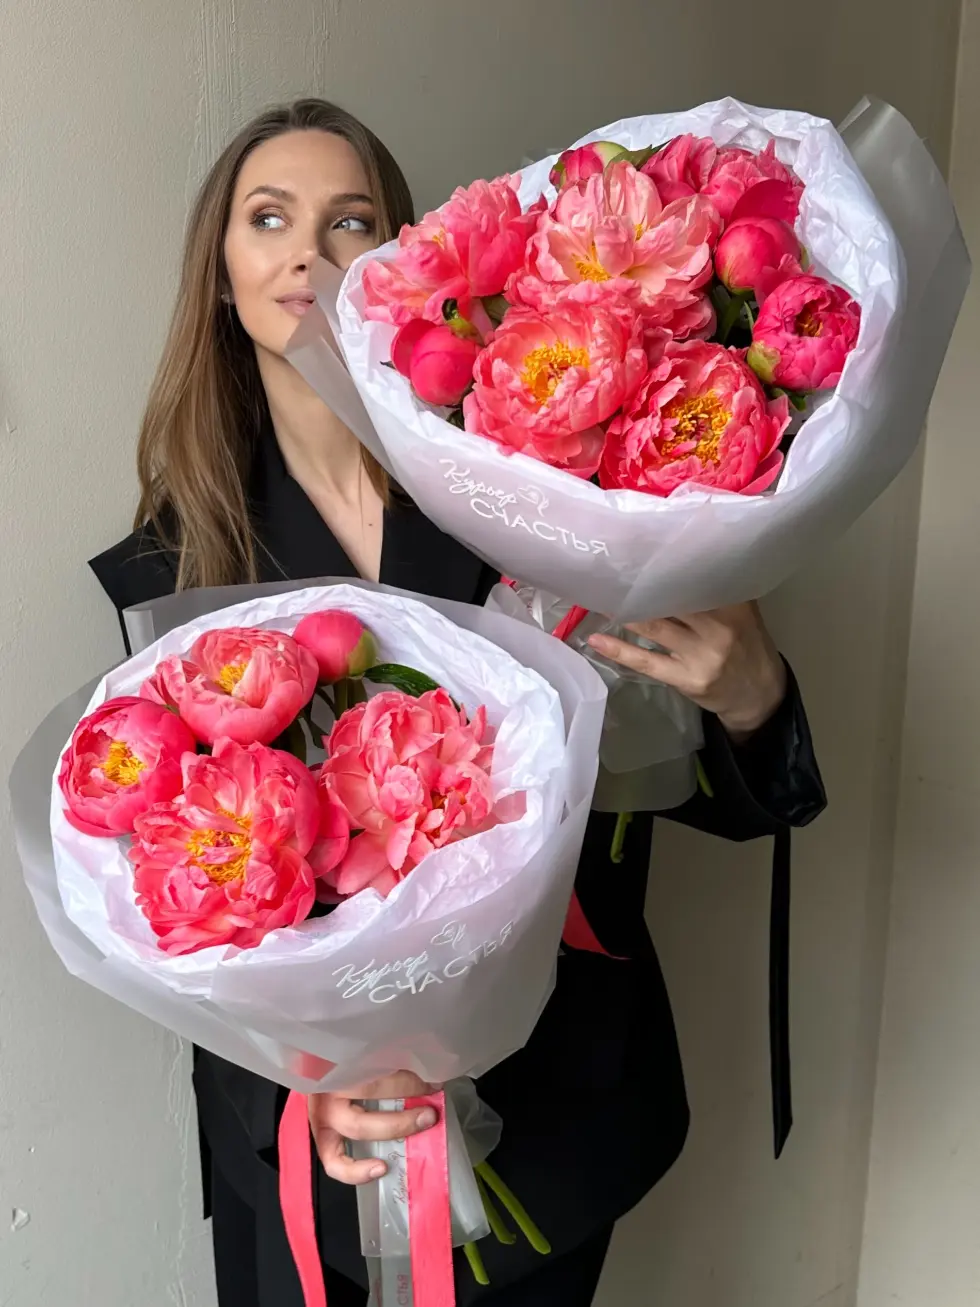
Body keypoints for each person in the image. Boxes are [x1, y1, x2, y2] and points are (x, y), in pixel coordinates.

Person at [90, 98, 826, 1307]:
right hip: (312, 1159)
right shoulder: (167, 576)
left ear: (399, 264)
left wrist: (752, 702)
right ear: (220, 276)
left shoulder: (540, 496)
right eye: (267, 218)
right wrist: (297, 1083)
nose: (307, 250)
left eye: (349, 220)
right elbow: (176, 916)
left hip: (555, 1109)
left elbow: (677, 792)